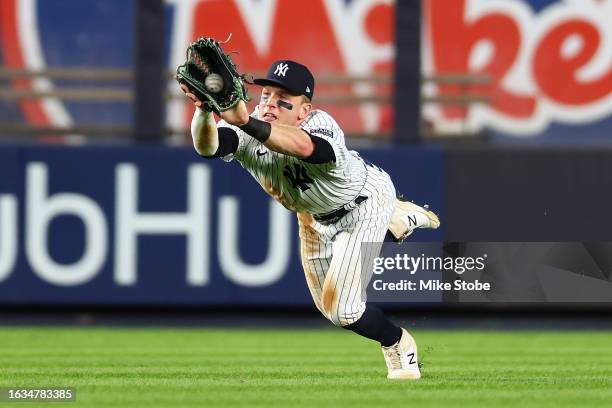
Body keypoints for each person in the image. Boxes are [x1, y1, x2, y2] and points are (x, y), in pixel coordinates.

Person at [179, 60, 439, 380]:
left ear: (304, 110)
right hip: (313, 218)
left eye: (283, 99)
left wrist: (245, 120)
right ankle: (397, 220)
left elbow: (305, 147)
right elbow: (209, 146)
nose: (270, 103)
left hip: (363, 204)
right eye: (266, 95)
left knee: (345, 309)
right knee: (332, 311)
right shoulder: (246, 128)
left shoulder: (319, 123)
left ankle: (398, 342)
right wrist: (204, 111)